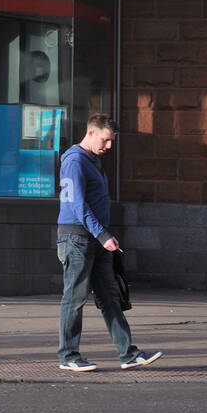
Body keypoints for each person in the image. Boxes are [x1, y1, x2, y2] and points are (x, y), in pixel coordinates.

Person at [56, 115, 161, 372]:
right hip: (77, 238)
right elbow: (77, 205)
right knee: (74, 297)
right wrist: (103, 235)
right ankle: (68, 356)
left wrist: (102, 236)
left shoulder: (92, 161)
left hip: (94, 237)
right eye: (106, 140)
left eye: (111, 141)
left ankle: (129, 354)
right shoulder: (75, 160)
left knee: (110, 297)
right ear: (91, 133)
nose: (109, 146)